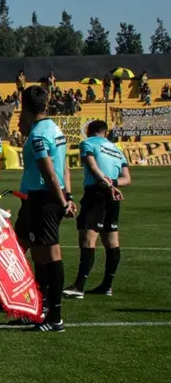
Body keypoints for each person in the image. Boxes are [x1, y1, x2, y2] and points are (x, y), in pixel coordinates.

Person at [15, 85, 75, 332]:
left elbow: (49, 172)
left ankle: (55, 316)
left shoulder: (39, 135)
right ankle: (40, 309)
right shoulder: (54, 129)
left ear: (25, 105)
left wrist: (62, 202)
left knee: (51, 256)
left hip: (44, 199)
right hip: (42, 198)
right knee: (38, 255)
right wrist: (67, 195)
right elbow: (65, 168)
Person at [66, 120, 131, 299]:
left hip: (96, 194)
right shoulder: (117, 150)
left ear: (88, 131)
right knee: (111, 241)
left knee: (88, 239)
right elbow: (127, 179)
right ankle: (107, 286)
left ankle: (79, 287)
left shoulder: (87, 143)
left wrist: (107, 184)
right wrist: (114, 184)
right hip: (113, 196)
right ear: (106, 132)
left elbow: (93, 166)